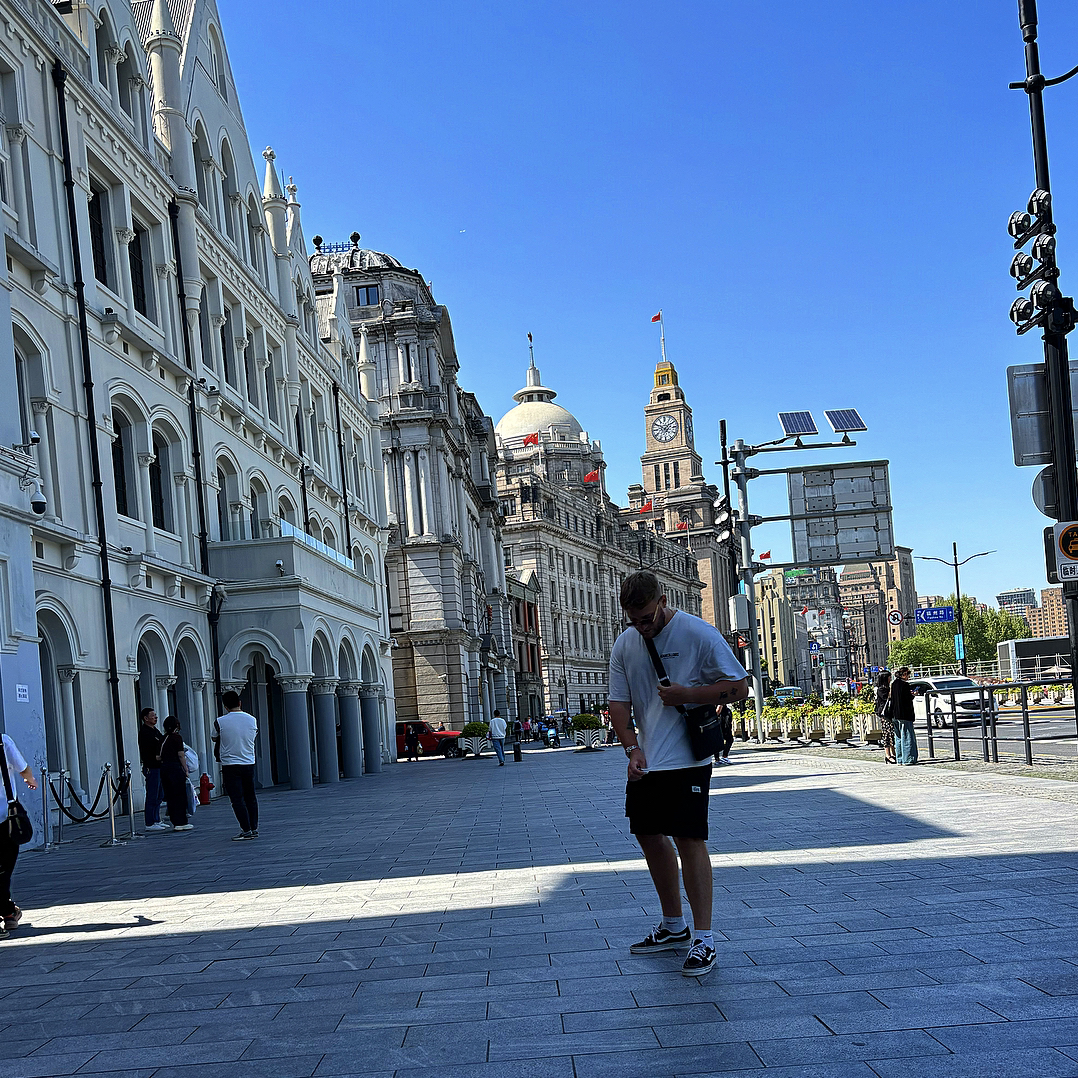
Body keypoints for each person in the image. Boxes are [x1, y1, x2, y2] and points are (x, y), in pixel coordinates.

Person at [608, 570, 749, 978]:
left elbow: (739, 686)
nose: (642, 627)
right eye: (634, 620)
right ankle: (674, 926)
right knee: (648, 835)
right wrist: (631, 748)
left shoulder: (698, 633)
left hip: (688, 759)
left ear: (663, 601)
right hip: (647, 761)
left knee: (689, 840)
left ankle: (705, 938)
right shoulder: (625, 643)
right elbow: (618, 703)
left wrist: (688, 694)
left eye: (647, 618)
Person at [0, 733, 37, 940]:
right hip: (5, 817)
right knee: (3, 868)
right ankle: (8, 912)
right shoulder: (2, 741)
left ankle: (8, 912)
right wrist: (29, 779)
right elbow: (23, 768)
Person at [214, 690, 259, 840]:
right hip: (248, 761)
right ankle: (254, 827)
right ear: (240, 703)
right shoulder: (252, 719)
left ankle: (245, 829)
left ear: (225, 706)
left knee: (237, 799)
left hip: (230, 763)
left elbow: (214, 737)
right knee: (250, 797)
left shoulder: (220, 721)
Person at [137, 707, 169, 832]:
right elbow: (150, 750)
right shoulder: (145, 733)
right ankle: (150, 822)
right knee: (152, 794)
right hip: (152, 766)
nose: (155, 718)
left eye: (156, 715)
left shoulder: (155, 731)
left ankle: (156, 819)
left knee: (159, 795)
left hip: (159, 766)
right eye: (153, 716)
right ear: (146, 718)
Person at [158, 716, 192, 831]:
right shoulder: (177, 738)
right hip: (175, 768)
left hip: (164, 768)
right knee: (180, 795)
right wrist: (186, 769)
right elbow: (181, 755)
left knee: (170, 796)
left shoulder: (163, 738)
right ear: (176, 726)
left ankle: (175, 821)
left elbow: (158, 756)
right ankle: (181, 821)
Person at [889, 666, 918, 766]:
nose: (909, 677)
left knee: (898, 737)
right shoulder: (904, 685)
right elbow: (907, 699)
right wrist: (913, 694)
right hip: (904, 714)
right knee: (907, 736)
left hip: (894, 714)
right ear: (904, 674)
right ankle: (908, 759)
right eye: (908, 675)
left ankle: (900, 759)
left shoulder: (894, 684)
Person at [875, 671, 896, 764]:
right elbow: (886, 698)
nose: (890, 679)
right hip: (885, 714)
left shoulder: (887, 688)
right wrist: (891, 691)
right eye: (889, 677)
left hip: (890, 713)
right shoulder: (881, 689)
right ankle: (888, 755)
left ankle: (893, 753)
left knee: (892, 734)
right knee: (887, 734)